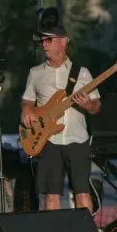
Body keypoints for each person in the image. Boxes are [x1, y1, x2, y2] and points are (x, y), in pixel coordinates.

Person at [21, 25, 101, 214]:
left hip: (77, 139)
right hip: (48, 140)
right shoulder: (35, 72)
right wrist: (25, 109)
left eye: (48, 40)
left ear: (63, 41)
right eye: (42, 41)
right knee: (51, 194)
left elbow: (96, 107)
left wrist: (88, 105)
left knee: (82, 192)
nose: (44, 44)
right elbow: (27, 101)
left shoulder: (82, 73)